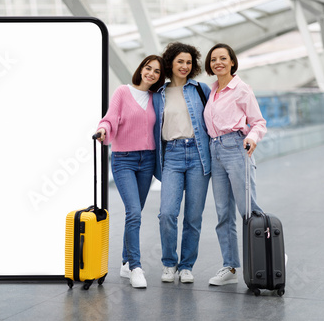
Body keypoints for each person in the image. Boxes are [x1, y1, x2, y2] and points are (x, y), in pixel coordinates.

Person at [96, 55, 165, 288]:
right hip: (124, 159)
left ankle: (125, 263)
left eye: (156, 71)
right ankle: (136, 267)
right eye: (148, 68)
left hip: (147, 160)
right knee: (134, 212)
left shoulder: (156, 98)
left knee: (134, 214)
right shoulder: (122, 92)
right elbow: (109, 119)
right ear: (141, 69)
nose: (151, 74)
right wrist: (103, 130)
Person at [203, 43, 267, 286]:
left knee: (248, 210)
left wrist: (252, 137)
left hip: (236, 147)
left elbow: (259, 122)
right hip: (215, 150)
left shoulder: (241, 89)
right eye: (213, 59)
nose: (217, 62)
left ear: (232, 62)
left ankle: (266, 254)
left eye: (223, 58)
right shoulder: (212, 91)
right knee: (223, 213)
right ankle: (230, 268)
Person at [153, 42, 211, 284]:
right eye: (180, 62)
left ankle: (186, 266)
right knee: (167, 213)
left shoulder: (201, 89)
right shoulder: (158, 94)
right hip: (172, 156)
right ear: (170, 63)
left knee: (193, 217)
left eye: (189, 62)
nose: (185, 66)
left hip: (198, 155)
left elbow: (216, 118)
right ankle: (169, 263)